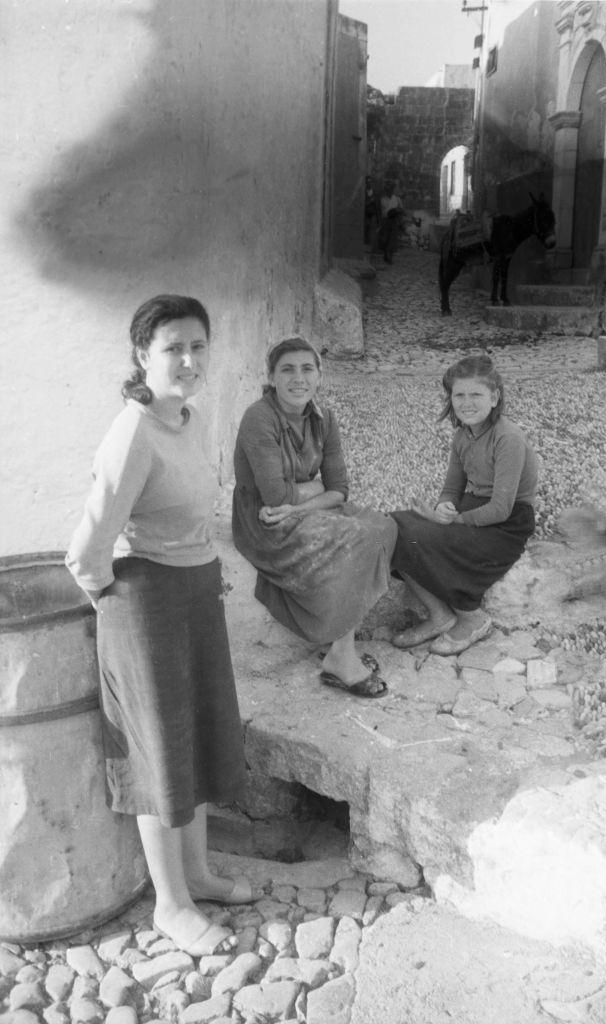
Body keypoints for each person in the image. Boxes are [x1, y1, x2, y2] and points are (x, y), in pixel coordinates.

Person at [66, 295, 257, 958]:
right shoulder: (132, 434)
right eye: (172, 347)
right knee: (157, 749)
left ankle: (199, 874)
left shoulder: (191, 418)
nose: (188, 360)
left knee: (200, 730)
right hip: (143, 599)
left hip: (197, 587)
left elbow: (196, 514)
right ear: (141, 357)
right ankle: (170, 906)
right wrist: (115, 607)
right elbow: (85, 551)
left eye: (198, 346)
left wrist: (205, 570)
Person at [232, 336, 398, 698]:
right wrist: (313, 489)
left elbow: (340, 488)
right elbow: (275, 496)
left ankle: (337, 640)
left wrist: (304, 500)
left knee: (384, 527)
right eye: (287, 369)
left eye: (307, 369)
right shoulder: (259, 418)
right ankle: (341, 657)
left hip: (300, 510)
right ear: (271, 376)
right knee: (358, 537)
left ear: (319, 375)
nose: (298, 378)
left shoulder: (324, 418)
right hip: (266, 520)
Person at [390, 354, 539, 654]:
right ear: (451, 398)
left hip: (507, 524)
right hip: (473, 509)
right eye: (459, 395)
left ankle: (471, 619)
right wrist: (445, 506)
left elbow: (501, 508)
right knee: (392, 526)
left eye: (476, 394)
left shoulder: (507, 438)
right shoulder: (462, 435)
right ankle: (440, 616)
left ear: (494, 398)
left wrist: (452, 521)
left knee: (423, 536)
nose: (467, 402)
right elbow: (451, 489)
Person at [377, 179, 403, 263]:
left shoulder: (397, 199)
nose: (389, 190)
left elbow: (402, 210)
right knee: (385, 239)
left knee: (392, 240)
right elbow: (380, 211)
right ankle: (385, 253)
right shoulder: (382, 199)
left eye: (391, 188)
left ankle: (390, 257)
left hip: (394, 221)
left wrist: (397, 212)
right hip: (385, 221)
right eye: (388, 188)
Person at [364, 175, 380, 249]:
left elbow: (378, 206)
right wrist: (370, 201)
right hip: (365, 214)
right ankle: (365, 246)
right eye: (367, 182)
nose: (369, 184)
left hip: (373, 214)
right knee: (365, 231)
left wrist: (378, 218)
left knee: (372, 231)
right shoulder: (363, 192)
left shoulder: (375, 193)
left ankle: (371, 247)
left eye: (370, 182)